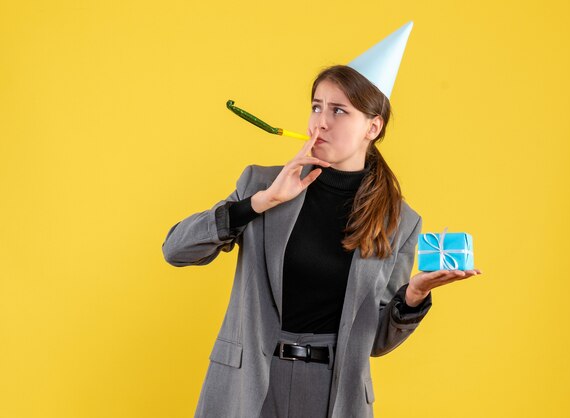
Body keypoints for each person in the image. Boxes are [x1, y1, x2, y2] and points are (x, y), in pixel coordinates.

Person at [162, 24, 481, 418]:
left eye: (339, 110)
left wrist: (412, 296)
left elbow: (375, 341)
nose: (321, 122)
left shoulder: (398, 220)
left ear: (373, 127)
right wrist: (260, 203)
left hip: (334, 394)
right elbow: (175, 250)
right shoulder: (262, 184)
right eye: (316, 106)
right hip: (248, 387)